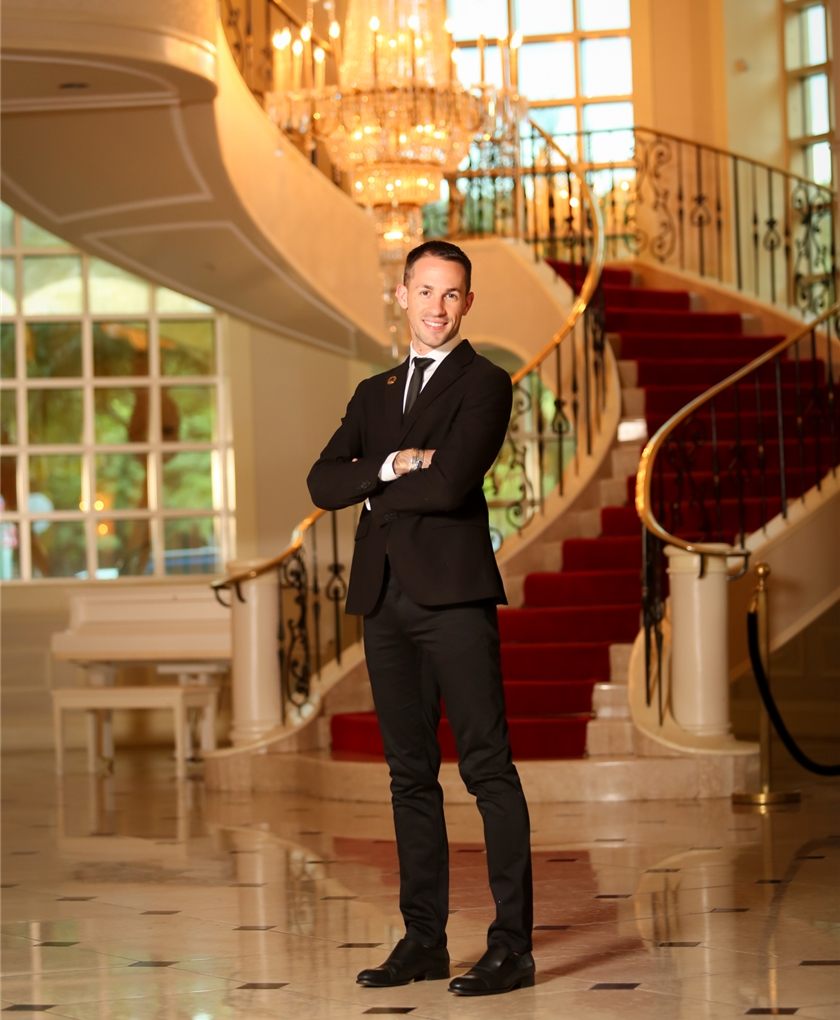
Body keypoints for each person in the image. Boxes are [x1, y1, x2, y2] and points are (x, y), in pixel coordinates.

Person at [307, 240, 534, 997]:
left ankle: (512, 948)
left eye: (452, 293)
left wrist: (369, 484)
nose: (438, 307)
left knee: (487, 769)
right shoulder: (373, 393)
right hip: (383, 600)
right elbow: (321, 482)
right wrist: (396, 462)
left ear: (467, 303)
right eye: (426, 291)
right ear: (403, 295)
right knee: (409, 776)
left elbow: (451, 485)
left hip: (455, 599)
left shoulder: (485, 382)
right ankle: (423, 941)